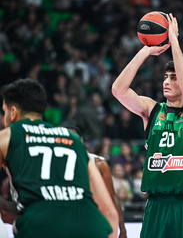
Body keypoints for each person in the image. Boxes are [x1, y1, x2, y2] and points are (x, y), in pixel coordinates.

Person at [112, 13, 183, 238]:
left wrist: (173, 39)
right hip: (156, 204)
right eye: (165, 77)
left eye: (173, 77)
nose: (167, 81)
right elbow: (118, 90)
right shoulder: (152, 110)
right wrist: (146, 50)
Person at [0, 79, 117, 238]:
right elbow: (110, 212)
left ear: (12, 112)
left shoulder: (7, 136)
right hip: (91, 226)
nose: (3, 120)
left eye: (4, 112)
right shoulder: (74, 140)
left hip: (41, 227)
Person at [64, 125, 127, 238]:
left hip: (93, 219)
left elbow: (112, 196)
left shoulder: (98, 163)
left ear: (81, 140)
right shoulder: (56, 163)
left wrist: (122, 229)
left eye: (72, 138)